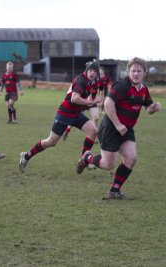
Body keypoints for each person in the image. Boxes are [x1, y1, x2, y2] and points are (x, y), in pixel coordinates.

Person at [76, 57, 162, 200]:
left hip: (126, 130)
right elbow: (108, 103)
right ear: (128, 72)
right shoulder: (122, 86)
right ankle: (87, 158)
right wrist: (118, 124)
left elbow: (148, 108)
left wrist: (153, 107)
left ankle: (114, 190)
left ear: (144, 73)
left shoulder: (143, 90)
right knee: (108, 164)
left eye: (139, 71)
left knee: (131, 158)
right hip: (111, 128)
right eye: (133, 71)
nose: (136, 74)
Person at [19, 61, 103, 173]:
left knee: (93, 131)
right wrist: (92, 102)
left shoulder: (92, 82)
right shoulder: (81, 80)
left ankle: (84, 160)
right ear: (87, 70)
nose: (92, 73)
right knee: (51, 142)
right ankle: (26, 156)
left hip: (76, 113)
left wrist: (95, 100)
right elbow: (74, 99)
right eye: (91, 70)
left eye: (95, 71)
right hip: (65, 113)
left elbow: (88, 98)